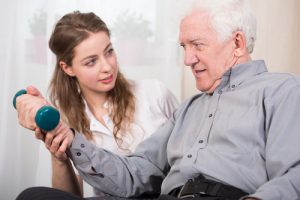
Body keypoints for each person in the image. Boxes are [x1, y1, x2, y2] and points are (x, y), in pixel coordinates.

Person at [16, 0, 300, 200]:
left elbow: (295, 173)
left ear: (237, 43)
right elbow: (134, 175)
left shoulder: (281, 90)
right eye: (183, 47)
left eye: (197, 45)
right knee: (34, 195)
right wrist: (67, 136)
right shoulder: (189, 109)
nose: (187, 60)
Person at [16, 11, 178, 198]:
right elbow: (70, 197)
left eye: (109, 52)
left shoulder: (155, 93)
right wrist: (59, 158)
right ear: (67, 68)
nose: (107, 67)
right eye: (91, 61)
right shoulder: (62, 120)